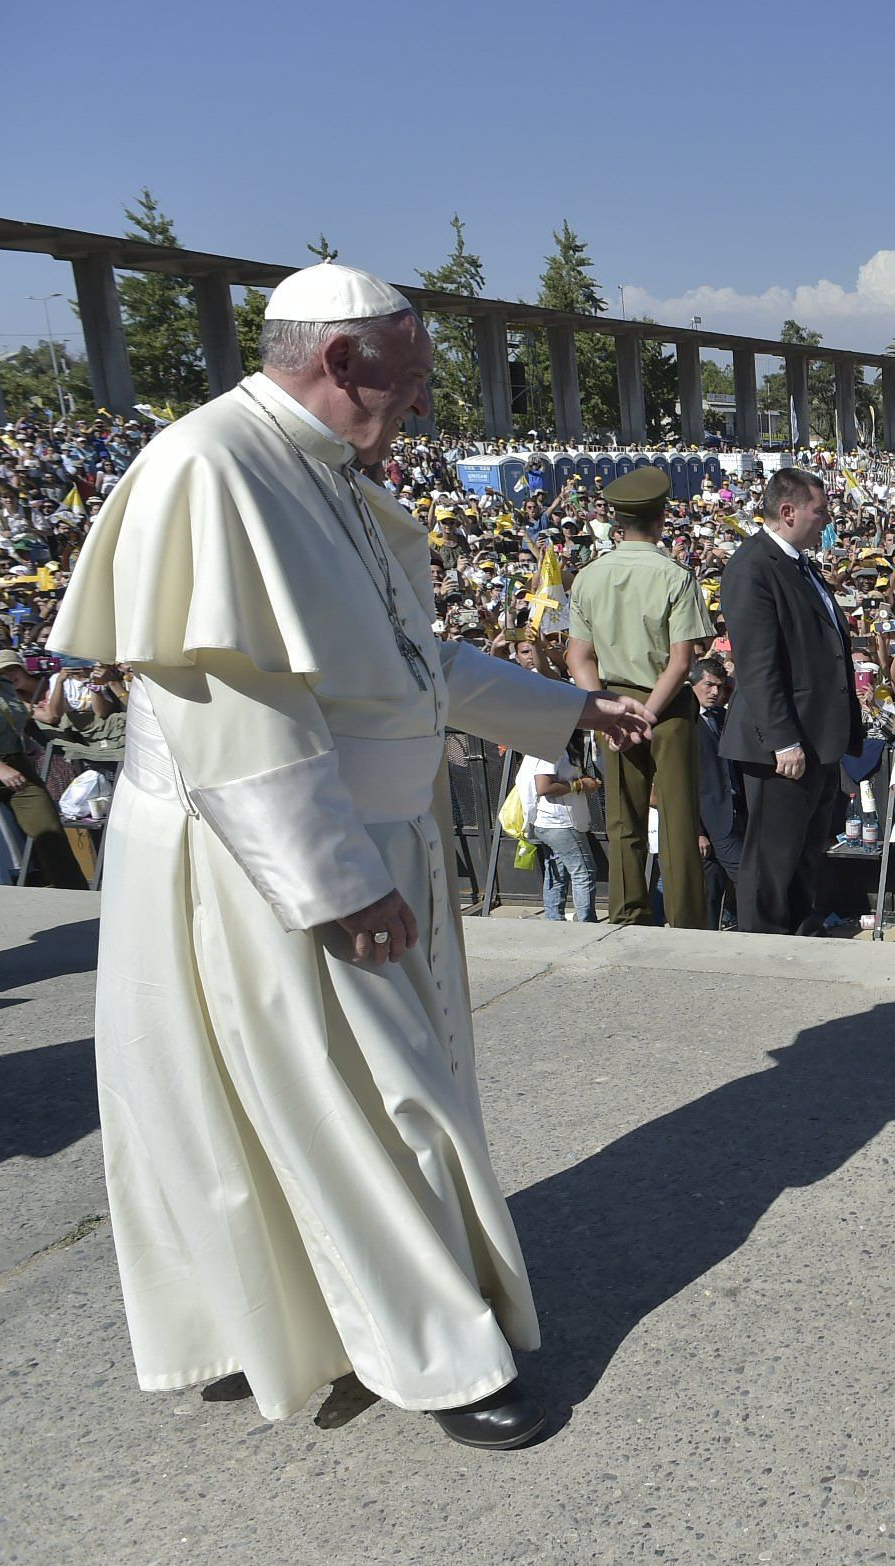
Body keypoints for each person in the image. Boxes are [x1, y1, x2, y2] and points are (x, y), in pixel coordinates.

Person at [47, 262, 653, 1448]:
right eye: (413, 378)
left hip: (365, 837)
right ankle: (437, 1352)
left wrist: (566, 711)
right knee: (366, 1102)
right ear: (344, 362)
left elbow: (412, 663)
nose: (422, 404)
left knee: (345, 1103)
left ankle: (307, 1317)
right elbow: (232, 710)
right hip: (267, 859)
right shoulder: (209, 466)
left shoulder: (327, 472)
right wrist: (337, 882)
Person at [565, 465, 715, 928]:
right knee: (677, 819)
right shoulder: (675, 575)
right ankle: (686, 920)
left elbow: (578, 657)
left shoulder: (588, 577)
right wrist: (646, 714)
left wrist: (606, 712)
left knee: (622, 817)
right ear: (661, 517)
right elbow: (681, 660)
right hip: (664, 707)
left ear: (616, 521)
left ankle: (626, 912)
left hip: (610, 700)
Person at [719, 469, 862, 936]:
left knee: (805, 850)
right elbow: (758, 666)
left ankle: (800, 935)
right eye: (819, 512)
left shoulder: (799, 563)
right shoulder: (753, 567)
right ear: (788, 512)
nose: (827, 520)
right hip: (782, 745)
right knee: (772, 857)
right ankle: (763, 947)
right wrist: (783, 739)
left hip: (816, 738)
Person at [0, 648, 88, 888]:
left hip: (17, 766)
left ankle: (75, 894)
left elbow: (41, 716)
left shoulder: (0, 685)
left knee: (50, 832)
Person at [690, 656, 747, 931]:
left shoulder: (722, 717)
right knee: (746, 879)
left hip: (734, 812)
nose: (715, 692)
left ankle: (709, 933)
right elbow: (686, 782)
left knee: (711, 883)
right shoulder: (685, 724)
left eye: (720, 687)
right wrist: (697, 830)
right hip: (710, 818)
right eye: (709, 685)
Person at [517, 742, 600, 922]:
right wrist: (579, 784)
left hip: (550, 821)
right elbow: (544, 787)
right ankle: (588, 924)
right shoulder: (550, 748)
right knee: (584, 872)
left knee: (557, 870)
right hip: (559, 822)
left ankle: (554, 920)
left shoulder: (553, 745)